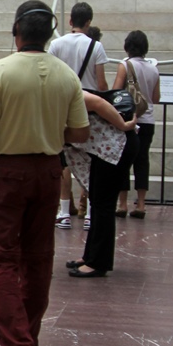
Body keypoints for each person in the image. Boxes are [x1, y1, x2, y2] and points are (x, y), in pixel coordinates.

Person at [0, 1, 89, 346]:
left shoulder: (0, 71)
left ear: (15, 31)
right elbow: (80, 133)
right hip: (48, 172)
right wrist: (48, 129)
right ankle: (27, 340)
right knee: (38, 259)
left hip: (6, 173)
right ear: (50, 35)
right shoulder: (66, 76)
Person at [63, 90, 138, 278]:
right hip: (103, 148)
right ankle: (90, 256)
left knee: (103, 204)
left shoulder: (63, 88)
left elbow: (96, 102)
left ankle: (99, 263)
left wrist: (122, 124)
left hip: (116, 145)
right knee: (97, 201)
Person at [48, 2, 108, 229]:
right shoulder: (96, 46)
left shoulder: (56, 44)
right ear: (89, 22)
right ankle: (90, 211)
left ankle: (63, 212)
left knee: (64, 160)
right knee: (91, 160)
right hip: (89, 107)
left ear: (70, 21)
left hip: (63, 106)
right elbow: (101, 84)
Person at [113, 31, 160, 218]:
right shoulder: (153, 69)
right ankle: (141, 204)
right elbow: (156, 98)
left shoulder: (125, 65)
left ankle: (122, 203)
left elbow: (116, 91)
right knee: (142, 161)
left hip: (128, 120)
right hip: (147, 120)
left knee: (123, 161)